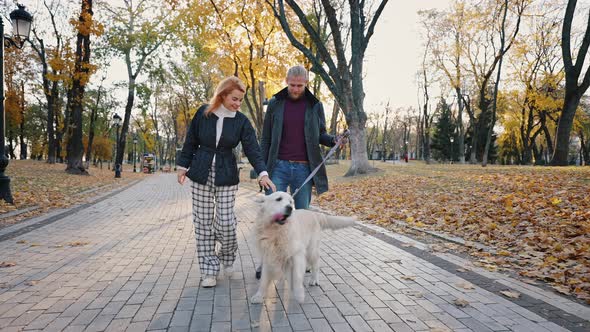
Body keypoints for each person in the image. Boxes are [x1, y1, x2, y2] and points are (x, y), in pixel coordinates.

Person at [177, 76, 276, 288]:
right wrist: (182, 166)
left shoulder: (241, 121)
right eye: (234, 99)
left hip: (227, 173)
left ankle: (227, 257)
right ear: (222, 95)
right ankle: (209, 271)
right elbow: (191, 141)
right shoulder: (204, 113)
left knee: (226, 223)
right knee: (203, 223)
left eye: (241, 100)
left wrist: (263, 172)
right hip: (201, 172)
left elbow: (253, 149)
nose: (238, 104)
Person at [260, 65, 345, 209]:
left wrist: (333, 140)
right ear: (286, 81)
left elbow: (321, 134)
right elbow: (266, 139)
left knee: (301, 215)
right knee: (272, 212)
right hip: (278, 167)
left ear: (306, 82)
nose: (295, 89)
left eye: (300, 85)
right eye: (292, 85)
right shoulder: (275, 103)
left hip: (304, 169)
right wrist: (262, 169)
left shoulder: (315, 105)